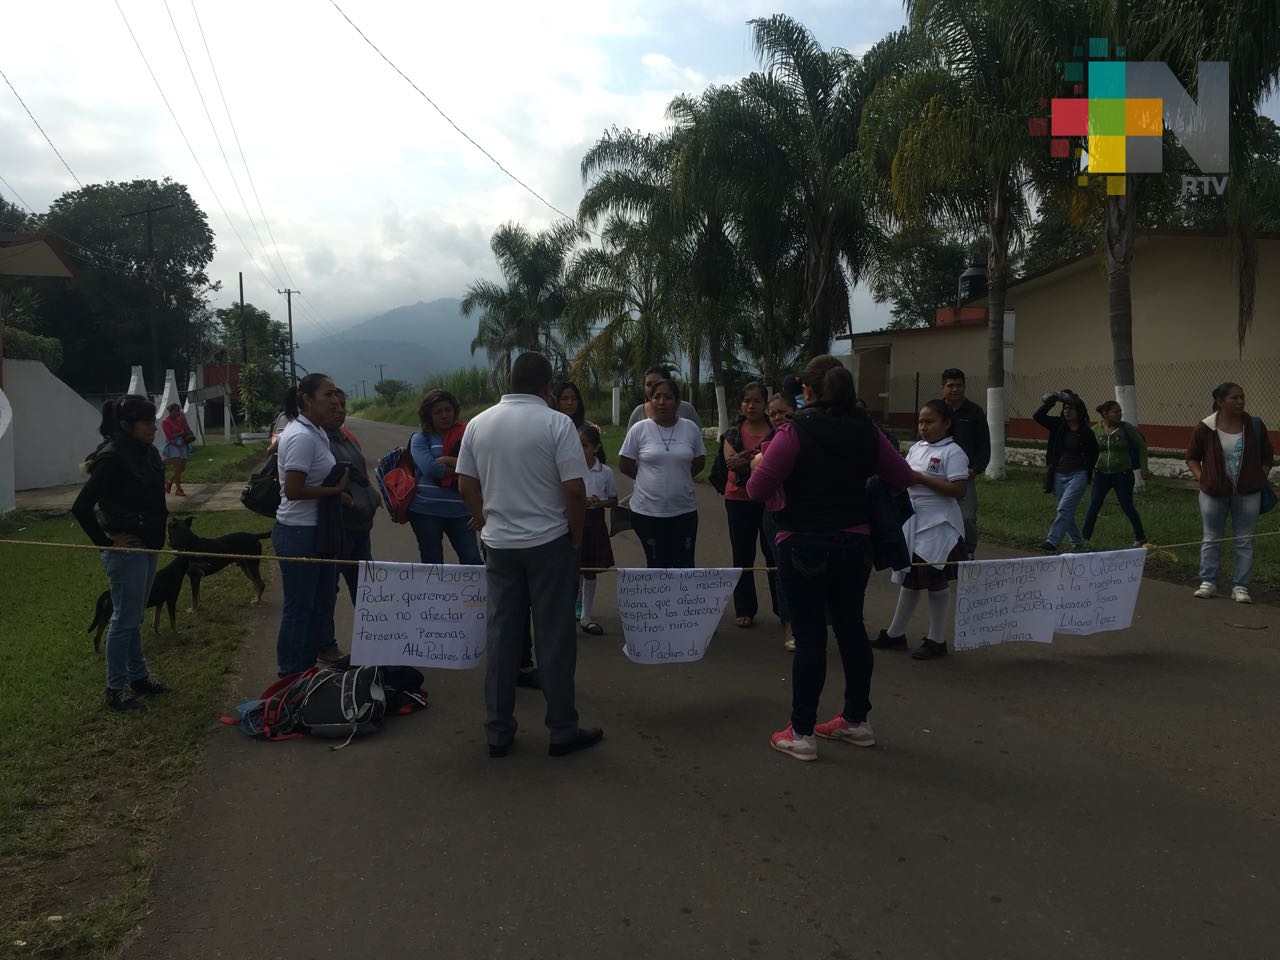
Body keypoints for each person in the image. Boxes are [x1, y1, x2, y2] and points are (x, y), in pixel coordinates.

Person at [747, 355, 915, 762]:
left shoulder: (794, 432)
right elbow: (902, 478)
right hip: (855, 544)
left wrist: (757, 462)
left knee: (809, 638)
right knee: (851, 628)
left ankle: (801, 731)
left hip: (803, 542)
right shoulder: (869, 431)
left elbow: (756, 488)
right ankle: (856, 720)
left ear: (807, 391)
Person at [455, 351, 603, 758]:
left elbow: (466, 484)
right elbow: (574, 490)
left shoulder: (478, 424)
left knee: (502, 637)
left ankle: (498, 732)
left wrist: (484, 522)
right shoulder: (557, 423)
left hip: (500, 546)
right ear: (547, 387)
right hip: (550, 544)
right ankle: (561, 730)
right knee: (555, 638)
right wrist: (574, 538)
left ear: (508, 379)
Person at [72, 395, 173, 711]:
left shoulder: (148, 452)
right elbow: (81, 507)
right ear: (127, 425)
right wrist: (105, 542)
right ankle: (116, 688)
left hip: (149, 541)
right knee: (124, 620)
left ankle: (139, 676)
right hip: (127, 548)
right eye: (146, 424)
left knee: (133, 616)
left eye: (153, 423)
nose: (153, 429)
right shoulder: (112, 458)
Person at [874, 401, 969, 661]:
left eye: (930, 422)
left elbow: (959, 491)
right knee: (911, 576)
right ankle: (896, 634)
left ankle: (937, 639)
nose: (923, 427)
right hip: (914, 520)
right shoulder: (916, 448)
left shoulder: (953, 452)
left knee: (935, 578)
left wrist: (921, 479)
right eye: (920, 422)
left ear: (947, 423)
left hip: (940, 523)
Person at [272, 373, 351, 676]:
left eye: (335, 395)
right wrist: (336, 491)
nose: (335, 402)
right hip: (299, 532)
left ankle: (305, 672)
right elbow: (293, 489)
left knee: (317, 606)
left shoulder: (315, 431)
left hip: (317, 531)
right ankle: (289, 676)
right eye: (328, 395)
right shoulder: (302, 436)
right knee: (299, 610)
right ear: (307, 400)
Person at [1185, 381, 1274, 603]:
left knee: (1244, 539)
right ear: (1220, 401)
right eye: (1234, 398)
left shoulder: (1253, 425)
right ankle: (1208, 582)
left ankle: (1241, 587)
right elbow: (1192, 457)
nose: (1240, 401)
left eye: (1242, 397)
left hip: (1248, 493)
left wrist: (1260, 475)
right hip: (1213, 492)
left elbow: (1267, 454)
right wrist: (1202, 477)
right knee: (1212, 537)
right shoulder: (1206, 427)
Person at [618, 378, 706, 568]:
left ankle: (683, 599)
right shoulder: (639, 429)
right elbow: (625, 464)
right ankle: (659, 600)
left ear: (678, 401)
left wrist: (678, 475)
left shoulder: (690, 428)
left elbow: (700, 461)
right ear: (649, 400)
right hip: (647, 513)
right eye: (656, 397)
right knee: (657, 565)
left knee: (685, 565)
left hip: (684, 512)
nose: (661, 402)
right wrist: (646, 479)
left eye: (668, 397)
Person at [711, 382, 777, 628]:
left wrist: (748, 459)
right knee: (742, 555)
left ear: (765, 404)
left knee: (773, 554)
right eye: (746, 401)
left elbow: (771, 463)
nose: (751, 405)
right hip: (738, 500)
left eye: (756, 401)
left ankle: (783, 610)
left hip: (770, 501)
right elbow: (732, 464)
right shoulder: (733, 433)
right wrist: (761, 458)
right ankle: (745, 608)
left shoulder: (776, 430)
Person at [407, 388, 482, 566]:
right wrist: (464, 466)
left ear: (455, 411)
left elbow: (481, 466)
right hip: (426, 512)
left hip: (461, 512)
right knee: (433, 564)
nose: (444, 415)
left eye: (448, 410)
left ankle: (473, 596)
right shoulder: (420, 439)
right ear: (429, 415)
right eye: (438, 412)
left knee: (472, 561)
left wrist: (446, 460)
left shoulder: (467, 435)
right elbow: (431, 469)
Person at [327, 390, 381, 604]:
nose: (340, 410)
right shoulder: (318, 441)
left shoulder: (345, 437)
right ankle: (326, 638)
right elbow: (314, 482)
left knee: (366, 593)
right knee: (328, 593)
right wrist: (348, 500)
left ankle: (368, 637)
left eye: (343, 405)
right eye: (333, 406)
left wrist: (373, 496)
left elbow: (359, 473)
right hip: (339, 529)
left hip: (361, 526)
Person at [1034, 389, 1099, 552]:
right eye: (1065, 408)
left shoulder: (1086, 432)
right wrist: (1053, 400)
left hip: (1078, 475)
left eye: (1071, 408)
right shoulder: (1058, 425)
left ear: (1079, 410)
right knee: (1065, 510)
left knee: (1064, 508)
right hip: (1058, 475)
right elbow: (1038, 416)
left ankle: (1052, 541)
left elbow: (1094, 453)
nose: (1067, 411)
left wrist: (1087, 471)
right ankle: (1077, 541)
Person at [1082, 401, 1148, 547]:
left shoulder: (1126, 428)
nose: (1119, 415)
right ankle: (1084, 538)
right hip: (1101, 474)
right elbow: (1088, 450)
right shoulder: (1095, 430)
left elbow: (1142, 446)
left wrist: (1144, 468)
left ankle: (1140, 536)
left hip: (1122, 474)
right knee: (1094, 504)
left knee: (1126, 505)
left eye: (1120, 412)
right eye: (1115, 412)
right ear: (1105, 414)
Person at [939, 368, 990, 560]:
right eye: (950, 386)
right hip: (938, 475)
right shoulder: (935, 410)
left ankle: (968, 551)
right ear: (942, 387)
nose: (955, 389)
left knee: (968, 517)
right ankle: (942, 551)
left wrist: (975, 470)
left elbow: (984, 445)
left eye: (959, 385)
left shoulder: (974, 411)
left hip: (964, 476)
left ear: (964, 387)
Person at [762, 392, 797, 651]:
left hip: (805, 513)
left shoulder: (805, 437)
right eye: (772, 413)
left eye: (783, 412)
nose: (778, 418)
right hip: (776, 513)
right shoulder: (769, 440)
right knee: (782, 568)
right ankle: (790, 626)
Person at [576, 424, 617, 635]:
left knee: (590, 569)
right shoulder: (570, 468)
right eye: (577, 445)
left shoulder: (605, 472)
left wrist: (600, 503)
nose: (580, 449)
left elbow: (613, 499)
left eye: (585, 445)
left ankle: (586, 616)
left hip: (594, 522)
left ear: (596, 447)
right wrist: (581, 501)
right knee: (572, 569)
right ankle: (570, 611)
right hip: (574, 520)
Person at [626, 365, 703, 430]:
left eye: (657, 383)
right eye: (648, 384)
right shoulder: (638, 412)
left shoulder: (687, 410)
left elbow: (697, 439)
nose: (652, 388)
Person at [160, 402, 195, 497]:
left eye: (179, 411)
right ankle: (179, 489)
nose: (178, 413)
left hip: (182, 445)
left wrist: (184, 420)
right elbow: (169, 436)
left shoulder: (180, 420)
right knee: (178, 466)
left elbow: (186, 430)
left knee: (182, 467)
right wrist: (180, 434)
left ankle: (169, 482)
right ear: (171, 411)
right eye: (176, 411)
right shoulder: (165, 422)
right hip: (172, 446)